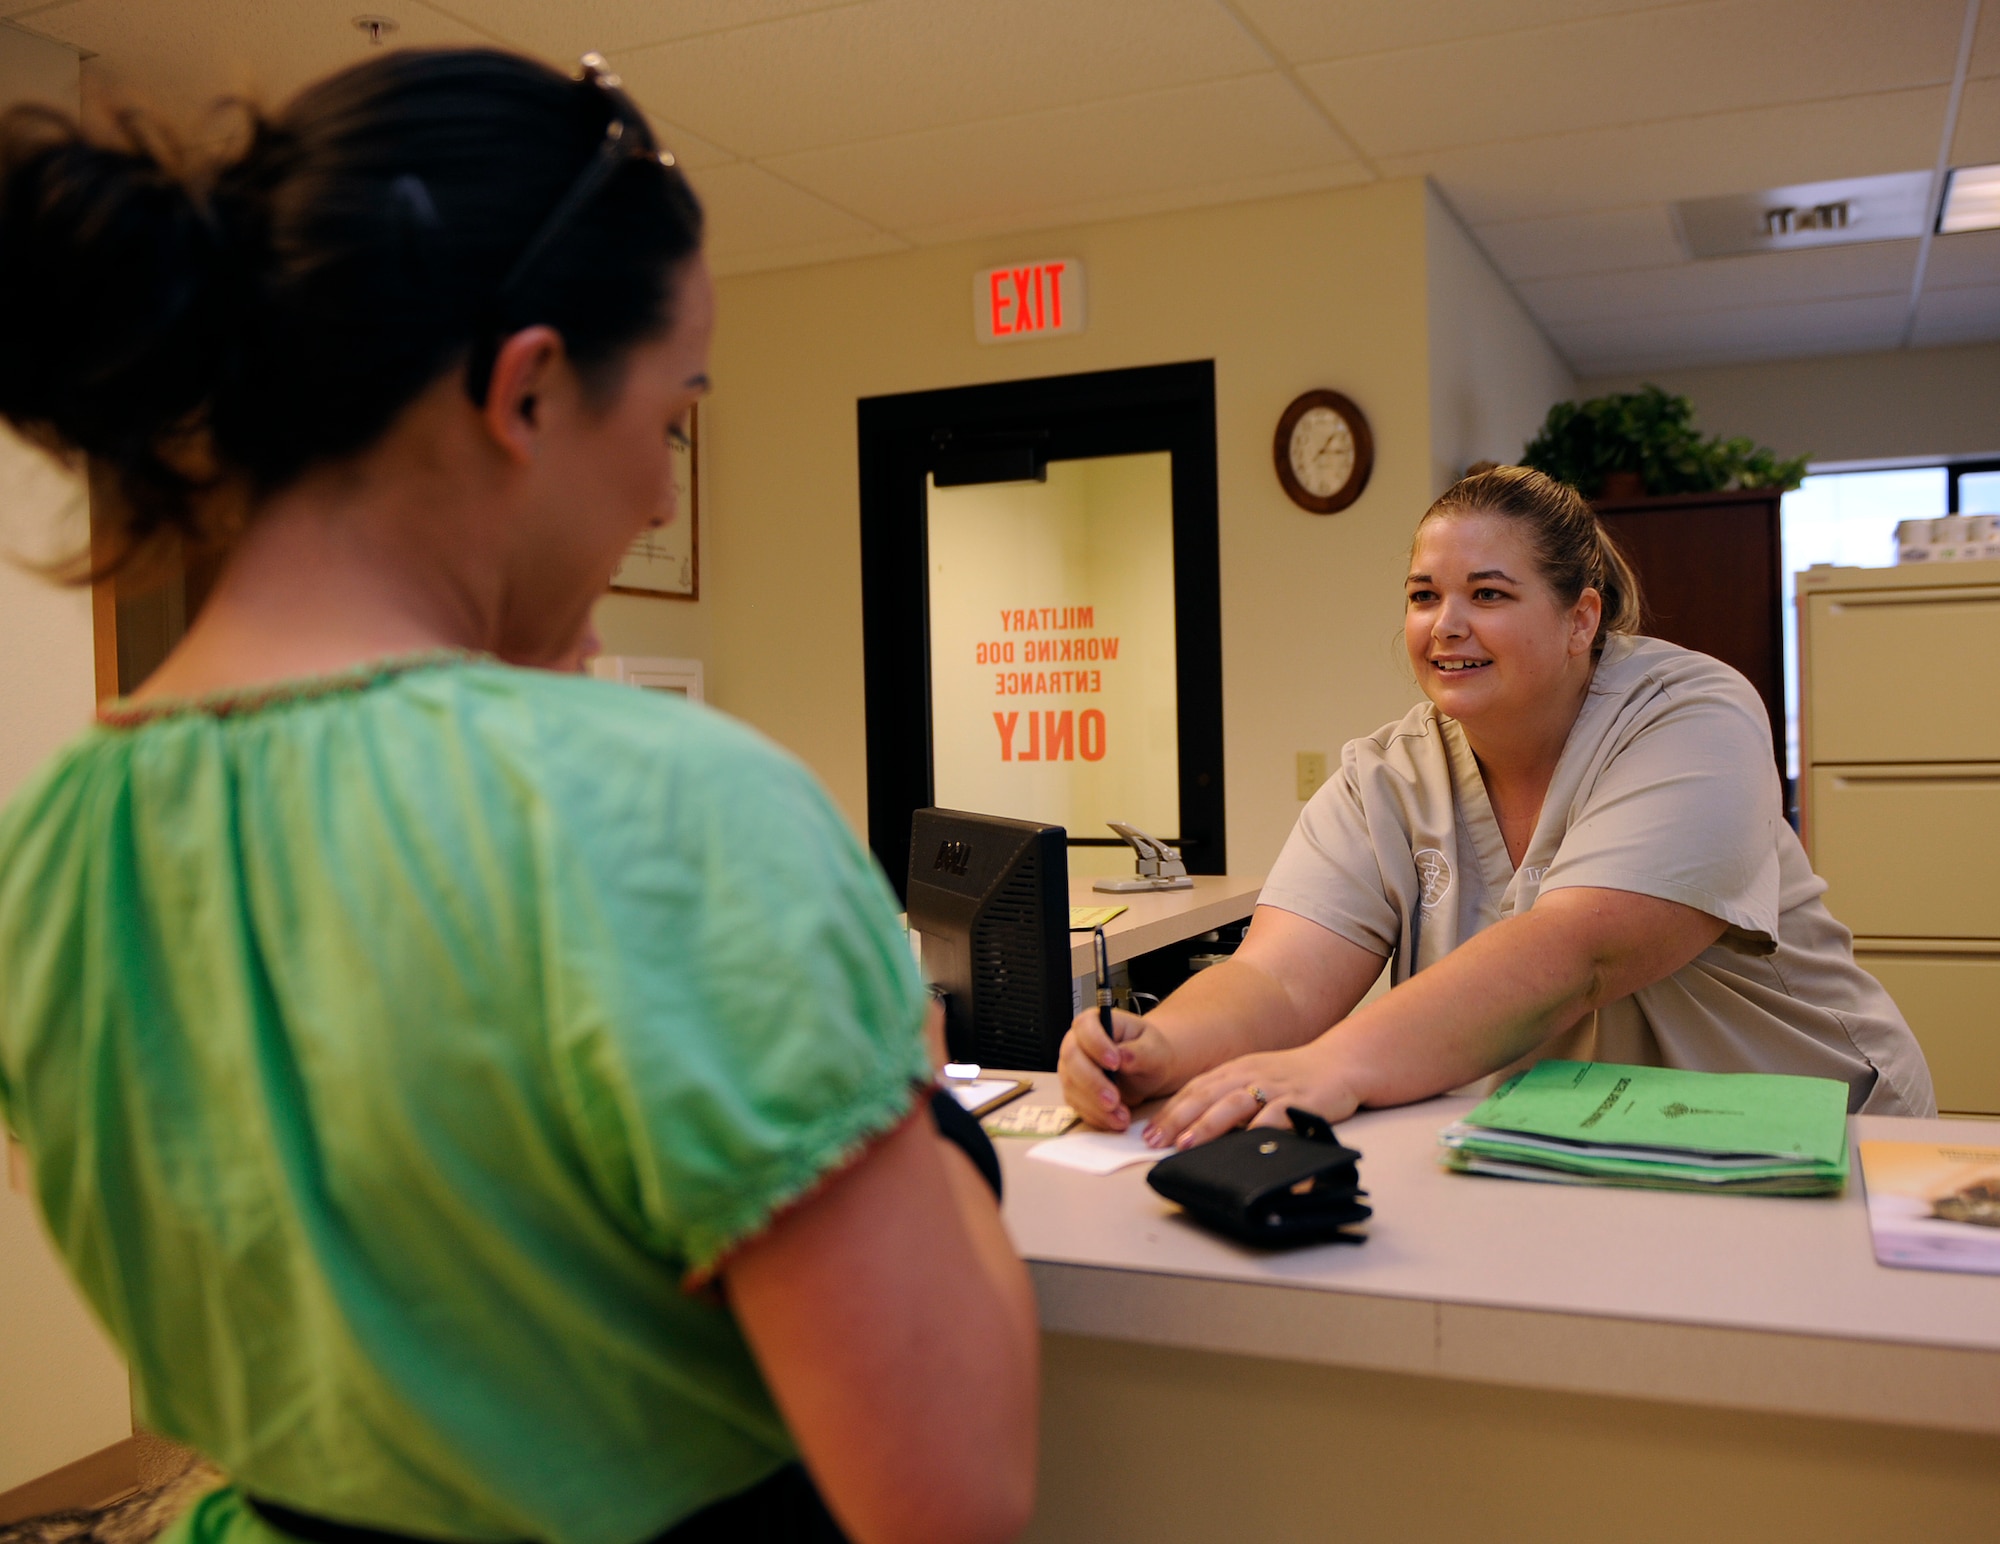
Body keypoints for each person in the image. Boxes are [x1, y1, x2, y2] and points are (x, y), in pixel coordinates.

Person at [0, 49, 1035, 1544]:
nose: (662, 496)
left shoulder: (50, 844)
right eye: (670, 421)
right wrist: (915, 1101)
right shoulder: (668, 806)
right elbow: (950, 1495)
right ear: (527, 387)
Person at [1061, 465, 1934, 1147]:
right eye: (1423, 595)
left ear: (1581, 619)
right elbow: (1278, 978)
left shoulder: (1691, 717)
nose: (1446, 624)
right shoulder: (1387, 778)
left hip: (1809, 1129)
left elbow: (1578, 952)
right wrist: (1159, 1045)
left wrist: (1337, 1064)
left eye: (1488, 594)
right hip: (1591, 1141)